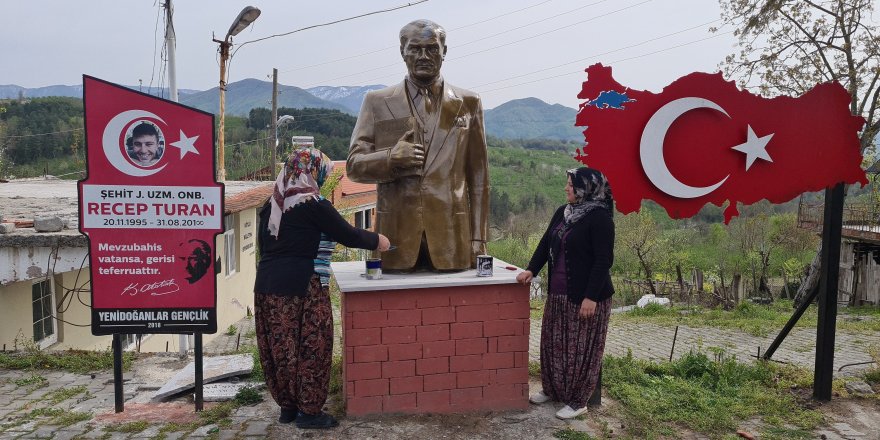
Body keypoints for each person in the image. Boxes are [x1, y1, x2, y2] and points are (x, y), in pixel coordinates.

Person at [254, 148, 391, 429]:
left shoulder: (272, 205)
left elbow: (263, 247)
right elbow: (348, 234)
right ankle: (310, 412)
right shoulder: (313, 203)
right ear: (314, 170)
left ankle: (289, 408)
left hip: (267, 287)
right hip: (303, 286)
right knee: (312, 347)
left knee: (282, 349)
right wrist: (379, 240)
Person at [347, 19, 489, 272]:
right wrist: (390, 158)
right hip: (395, 238)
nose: (424, 56)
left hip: (452, 238)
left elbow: (479, 178)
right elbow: (354, 167)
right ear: (402, 52)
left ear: (444, 51)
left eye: (432, 48)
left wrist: (478, 238)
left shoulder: (469, 103)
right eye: (415, 48)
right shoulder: (376, 102)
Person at [516, 167, 615, 420]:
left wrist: (591, 297)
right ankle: (552, 389)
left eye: (570, 184)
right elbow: (545, 242)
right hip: (558, 295)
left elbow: (603, 261)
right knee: (553, 344)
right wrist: (531, 269)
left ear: (585, 188)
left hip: (587, 298)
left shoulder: (600, 218)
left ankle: (578, 400)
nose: (566, 188)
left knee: (582, 351)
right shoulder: (564, 212)